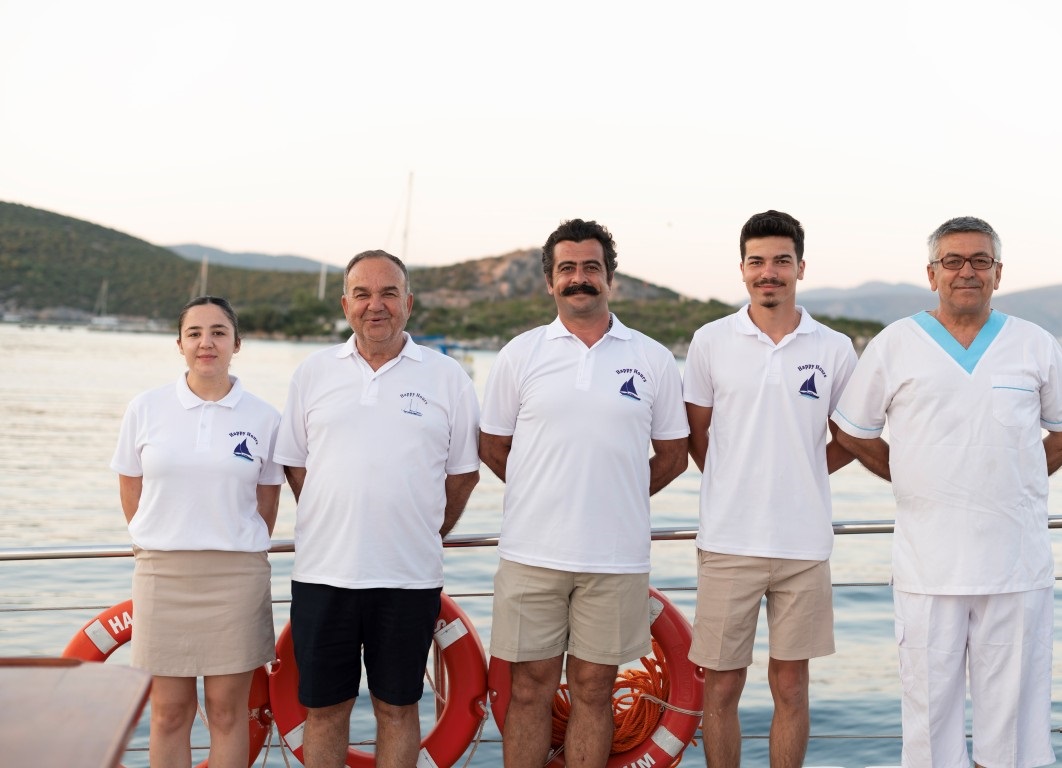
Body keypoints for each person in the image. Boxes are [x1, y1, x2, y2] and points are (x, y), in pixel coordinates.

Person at [832, 216, 1062, 768]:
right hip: (928, 568)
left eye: (980, 261)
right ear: (932, 274)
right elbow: (852, 431)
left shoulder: (1033, 344)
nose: (966, 271)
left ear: (999, 273)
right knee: (929, 723)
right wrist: (912, 476)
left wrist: (1017, 478)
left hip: (1015, 566)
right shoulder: (895, 344)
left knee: (1015, 727)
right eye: (953, 261)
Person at [478, 219, 689, 768]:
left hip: (614, 559)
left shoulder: (653, 358)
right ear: (550, 281)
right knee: (529, 690)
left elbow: (673, 455)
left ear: (609, 278)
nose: (579, 278)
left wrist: (613, 497)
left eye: (591, 267)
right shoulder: (519, 355)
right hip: (531, 554)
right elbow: (493, 445)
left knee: (595, 691)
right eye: (567, 269)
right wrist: (546, 490)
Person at [273, 250, 480, 768]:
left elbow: (463, 473)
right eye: (362, 294)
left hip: (408, 577)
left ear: (408, 302)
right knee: (324, 711)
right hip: (323, 574)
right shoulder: (312, 373)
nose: (376, 305)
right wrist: (334, 516)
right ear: (345, 305)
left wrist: (424, 530)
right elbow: (295, 464)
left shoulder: (447, 377)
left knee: (397, 709)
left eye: (389, 293)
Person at [682, 209, 857, 768]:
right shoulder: (711, 341)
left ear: (801, 267)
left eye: (782, 260)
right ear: (742, 269)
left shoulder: (834, 348)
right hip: (728, 542)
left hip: (804, 546)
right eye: (757, 261)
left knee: (792, 686)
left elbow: (850, 438)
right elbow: (696, 434)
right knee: (721, 686)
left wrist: (801, 472)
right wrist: (737, 476)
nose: (769, 272)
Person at [111, 295, 283, 768]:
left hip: (236, 578)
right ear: (180, 344)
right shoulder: (146, 408)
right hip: (163, 576)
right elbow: (130, 485)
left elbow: (267, 502)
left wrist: (233, 540)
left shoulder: (265, 418)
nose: (206, 342)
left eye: (218, 332)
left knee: (227, 713)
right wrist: (156, 537)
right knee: (168, 713)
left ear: (236, 344)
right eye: (194, 333)